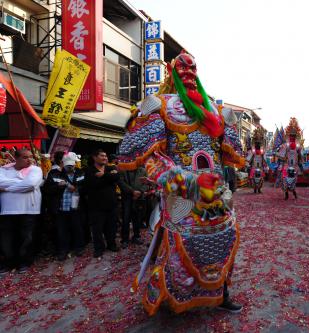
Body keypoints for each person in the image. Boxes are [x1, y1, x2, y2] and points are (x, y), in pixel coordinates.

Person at [117, 52, 245, 315]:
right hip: (184, 196)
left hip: (218, 196)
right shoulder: (159, 105)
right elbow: (150, 160)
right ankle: (169, 296)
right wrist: (188, 183)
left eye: (193, 68)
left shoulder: (216, 110)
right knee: (180, 246)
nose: (188, 72)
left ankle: (221, 293)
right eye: (182, 68)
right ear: (171, 72)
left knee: (224, 240)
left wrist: (220, 184)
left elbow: (232, 155)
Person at [0, 148, 43, 274]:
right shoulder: (4, 169)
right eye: (25, 157)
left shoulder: (35, 169)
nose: (29, 159)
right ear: (16, 158)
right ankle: (9, 262)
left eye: (31, 156)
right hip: (7, 210)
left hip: (29, 209)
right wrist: (20, 183)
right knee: (7, 238)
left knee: (26, 238)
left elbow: (30, 184)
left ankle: (24, 262)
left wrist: (6, 188)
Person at [44, 152, 85, 261]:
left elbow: (86, 187)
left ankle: (79, 248)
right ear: (62, 163)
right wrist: (58, 185)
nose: (69, 167)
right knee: (61, 230)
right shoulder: (54, 173)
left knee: (77, 228)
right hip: (60, 208)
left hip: (76, 208)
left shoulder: (80, 173)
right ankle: (62, 250)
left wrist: (76, 188)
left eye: (71, 165)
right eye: (67, 165)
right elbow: (47, 190)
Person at [85, 149, 120, 259]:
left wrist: (103, 175)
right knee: (97, 229)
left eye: (105, 156)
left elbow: (116, 178)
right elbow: (92, 184)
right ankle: (99, 248)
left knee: (111, 227)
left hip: (112, 204)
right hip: (96, 206)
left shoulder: (111, 168)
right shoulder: (89, 170)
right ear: (94, 157)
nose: (105, 158)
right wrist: (108, 178)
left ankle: (111, 245)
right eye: (102, 156)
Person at [119, 166, 148, 247]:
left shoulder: (143, 170)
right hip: (127, 198)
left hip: (139, 198)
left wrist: (140, 192)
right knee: (126, 219)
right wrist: (132, 192)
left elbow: (147, 183)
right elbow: (121, 183)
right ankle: (125, 239)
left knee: (137, 218)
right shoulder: (123, 169)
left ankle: (136, 236)